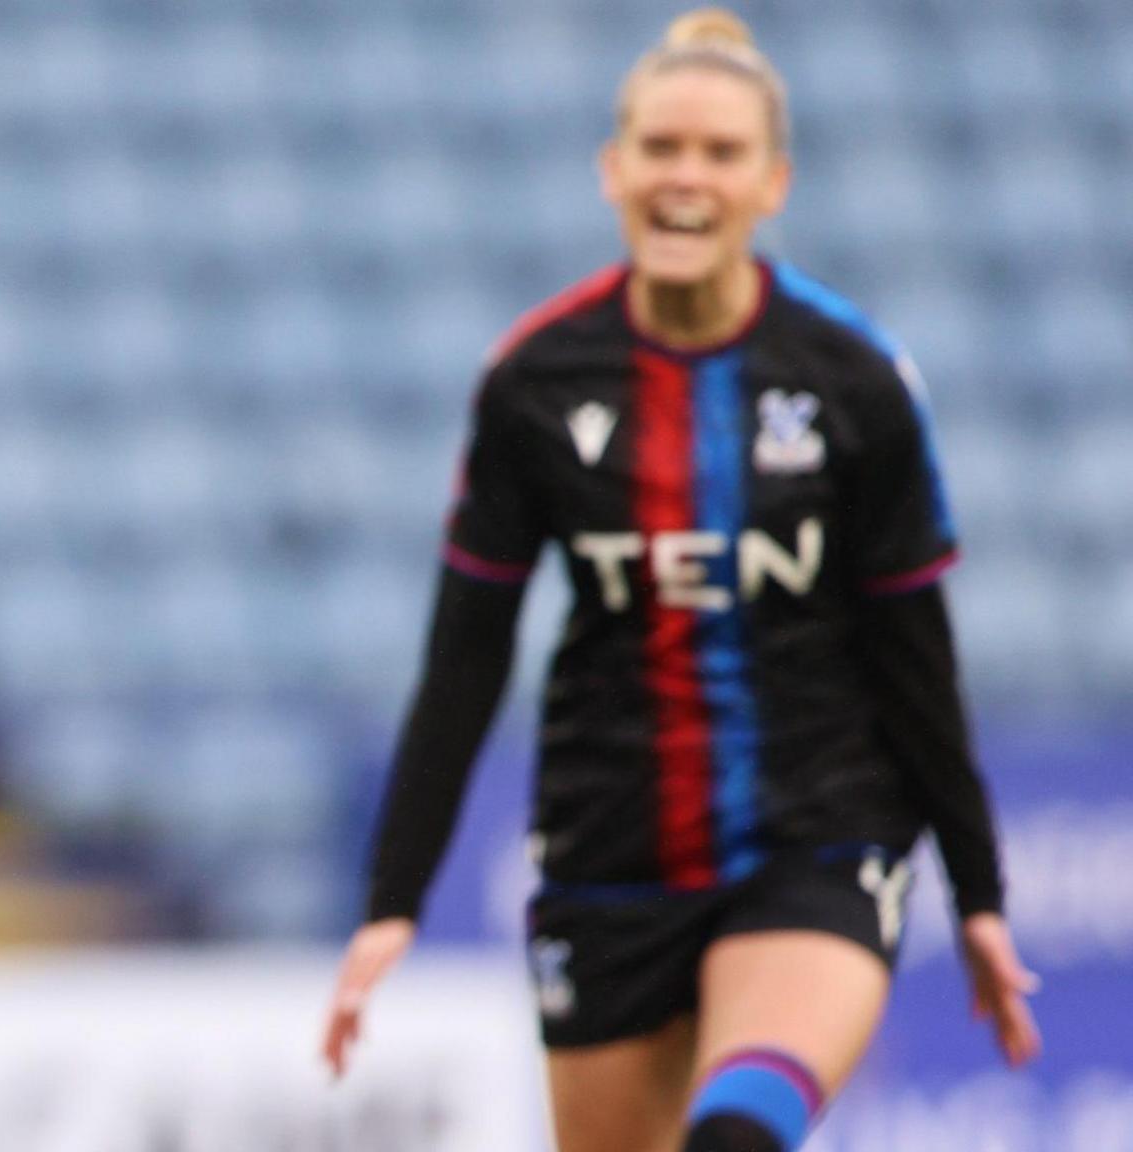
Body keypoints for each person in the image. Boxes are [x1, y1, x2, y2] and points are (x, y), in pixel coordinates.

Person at [321, 12, 1038, 1152]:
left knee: (734, 1139)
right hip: (609, 854)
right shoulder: (534, 381)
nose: (684, 178)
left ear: (772, 183)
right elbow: (467, 653)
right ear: (613, 170)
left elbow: (914, 652)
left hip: (816, 839)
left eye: (718, 153)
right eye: (660, 149)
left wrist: (979, 896)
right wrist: (390, 903)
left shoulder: (851, 381)